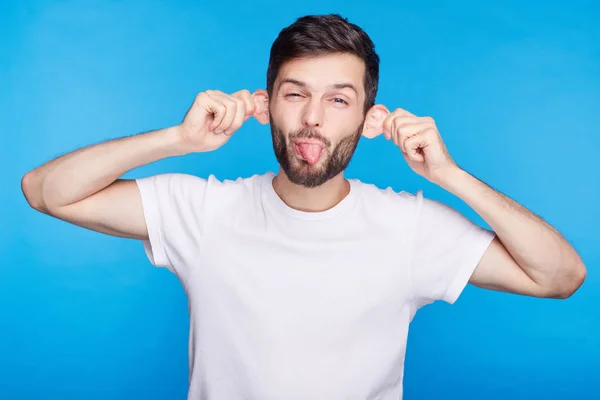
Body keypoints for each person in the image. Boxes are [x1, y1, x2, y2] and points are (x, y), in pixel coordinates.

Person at [21, 13, 586, 400]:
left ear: (369, 119)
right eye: (296, 94)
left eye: (339, 99)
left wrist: (450, 175)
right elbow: (45, 190)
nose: (314, 117)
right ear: (267, 106)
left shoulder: (409, 227)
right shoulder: (203, 210)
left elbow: (561, 276)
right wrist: (177, 140)